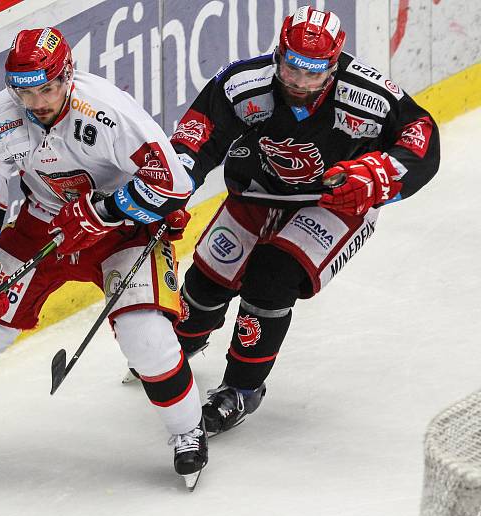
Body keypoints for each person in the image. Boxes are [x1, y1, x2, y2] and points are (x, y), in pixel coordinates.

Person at [0, 27, 208, 487]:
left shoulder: (108, 111)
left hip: (123, 231)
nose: (35, 102)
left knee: (146, 337)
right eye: (23, 90)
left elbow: (172, 183)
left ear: (67, 77)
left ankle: (188, 431)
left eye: (46, 89)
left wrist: (106, 211)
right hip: (44, 225)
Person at [167, 6, 440, 436]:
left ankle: (241, 389)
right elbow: (198, 133)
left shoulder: (367, 93)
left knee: (271, 276)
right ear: (278, 54)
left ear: (334, 65)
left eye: (314, 73)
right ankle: (187, 337)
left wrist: (378, 175)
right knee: (207, 282)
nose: (299, 82)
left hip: (332, 202)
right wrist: (174, 184)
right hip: (258, 190)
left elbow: (421, 137)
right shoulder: (243, 84)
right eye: (292, 68)